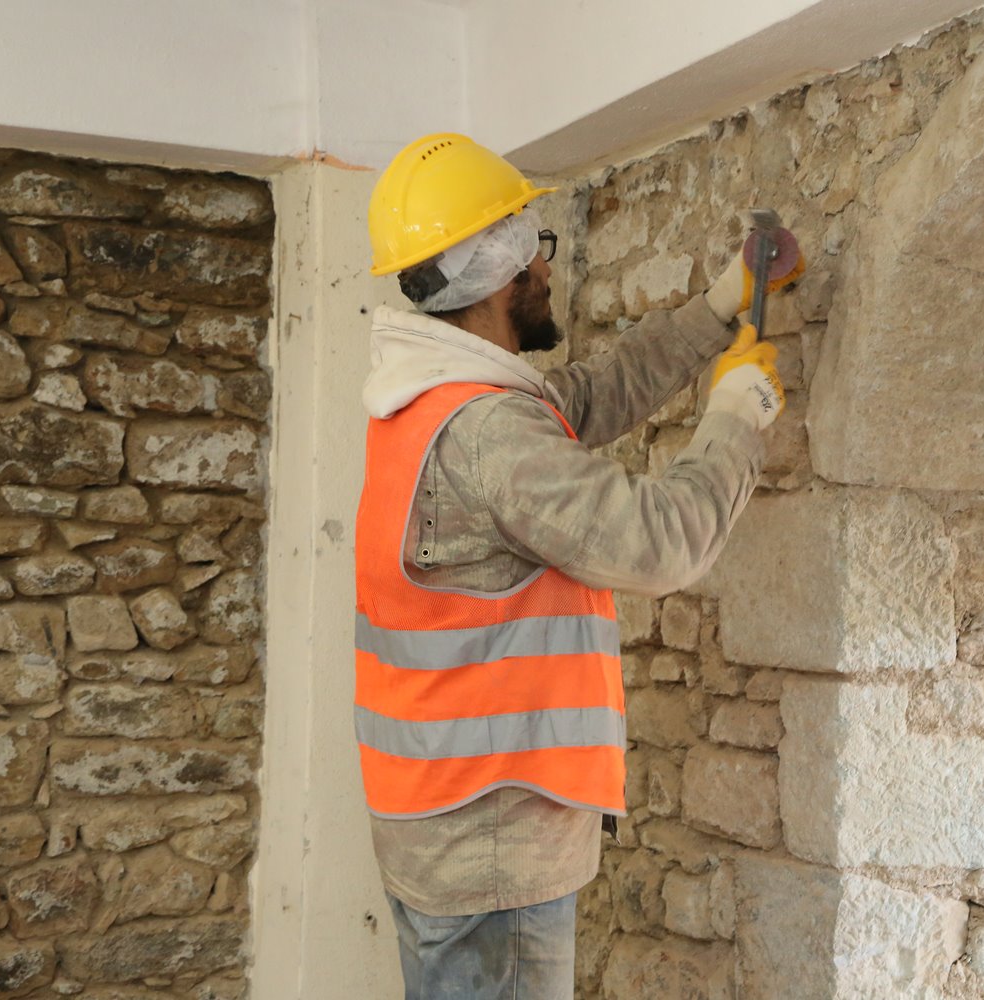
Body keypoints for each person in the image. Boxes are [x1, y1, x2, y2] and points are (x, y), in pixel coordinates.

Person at [354, 132, 801, 999]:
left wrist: (722, 305)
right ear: (500, 272)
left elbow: (590, 396)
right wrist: (737, 417)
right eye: (536, 251)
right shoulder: (488, 435)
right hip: (491, 848)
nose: (547, 269)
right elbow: (660, 542)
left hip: (440, 824)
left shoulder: (430, 401)